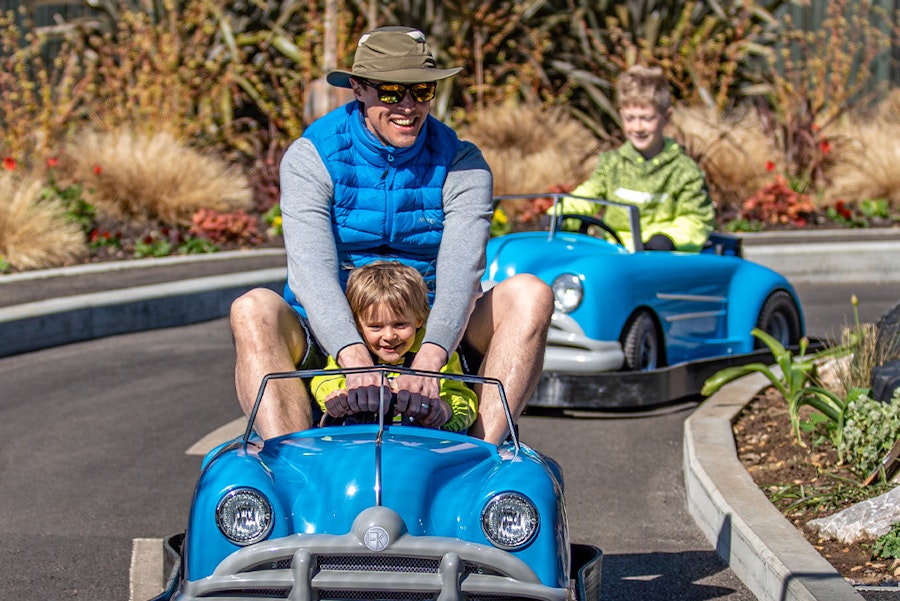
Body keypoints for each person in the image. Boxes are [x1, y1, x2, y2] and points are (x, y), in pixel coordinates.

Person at [229, 26, 552, 445]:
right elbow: (311, 273)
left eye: (421, 92)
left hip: (430, 326)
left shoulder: (463, 163)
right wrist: (351, 355)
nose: (407, 106)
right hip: (332, 335)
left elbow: (461, 275)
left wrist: (432, 359)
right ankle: (295, 465)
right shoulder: (311, 157)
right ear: (359, 89)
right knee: (252, 308)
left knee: (532, 294)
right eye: (391, 91)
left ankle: (480, 454)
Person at [559, 64, 715, 252]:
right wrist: (559, 214)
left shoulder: (684, 170)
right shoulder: (613, 164)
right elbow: (586, 197)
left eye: (647, 118)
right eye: (630, 118)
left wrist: (667, 240)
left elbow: (695, 220)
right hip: (614, 255)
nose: (638, 127)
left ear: (666, 117)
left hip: (661, 259)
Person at [310, 261, 478, 432]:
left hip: (418, 447)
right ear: (358, 325)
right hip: (359, 444)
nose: (389, 336)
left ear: (419, 319)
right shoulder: (352, 352)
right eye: (376, 326)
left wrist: (444, 410)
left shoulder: (433, 353)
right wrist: (339, 395)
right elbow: (324, 380)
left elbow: (464, 400)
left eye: (400, 325)